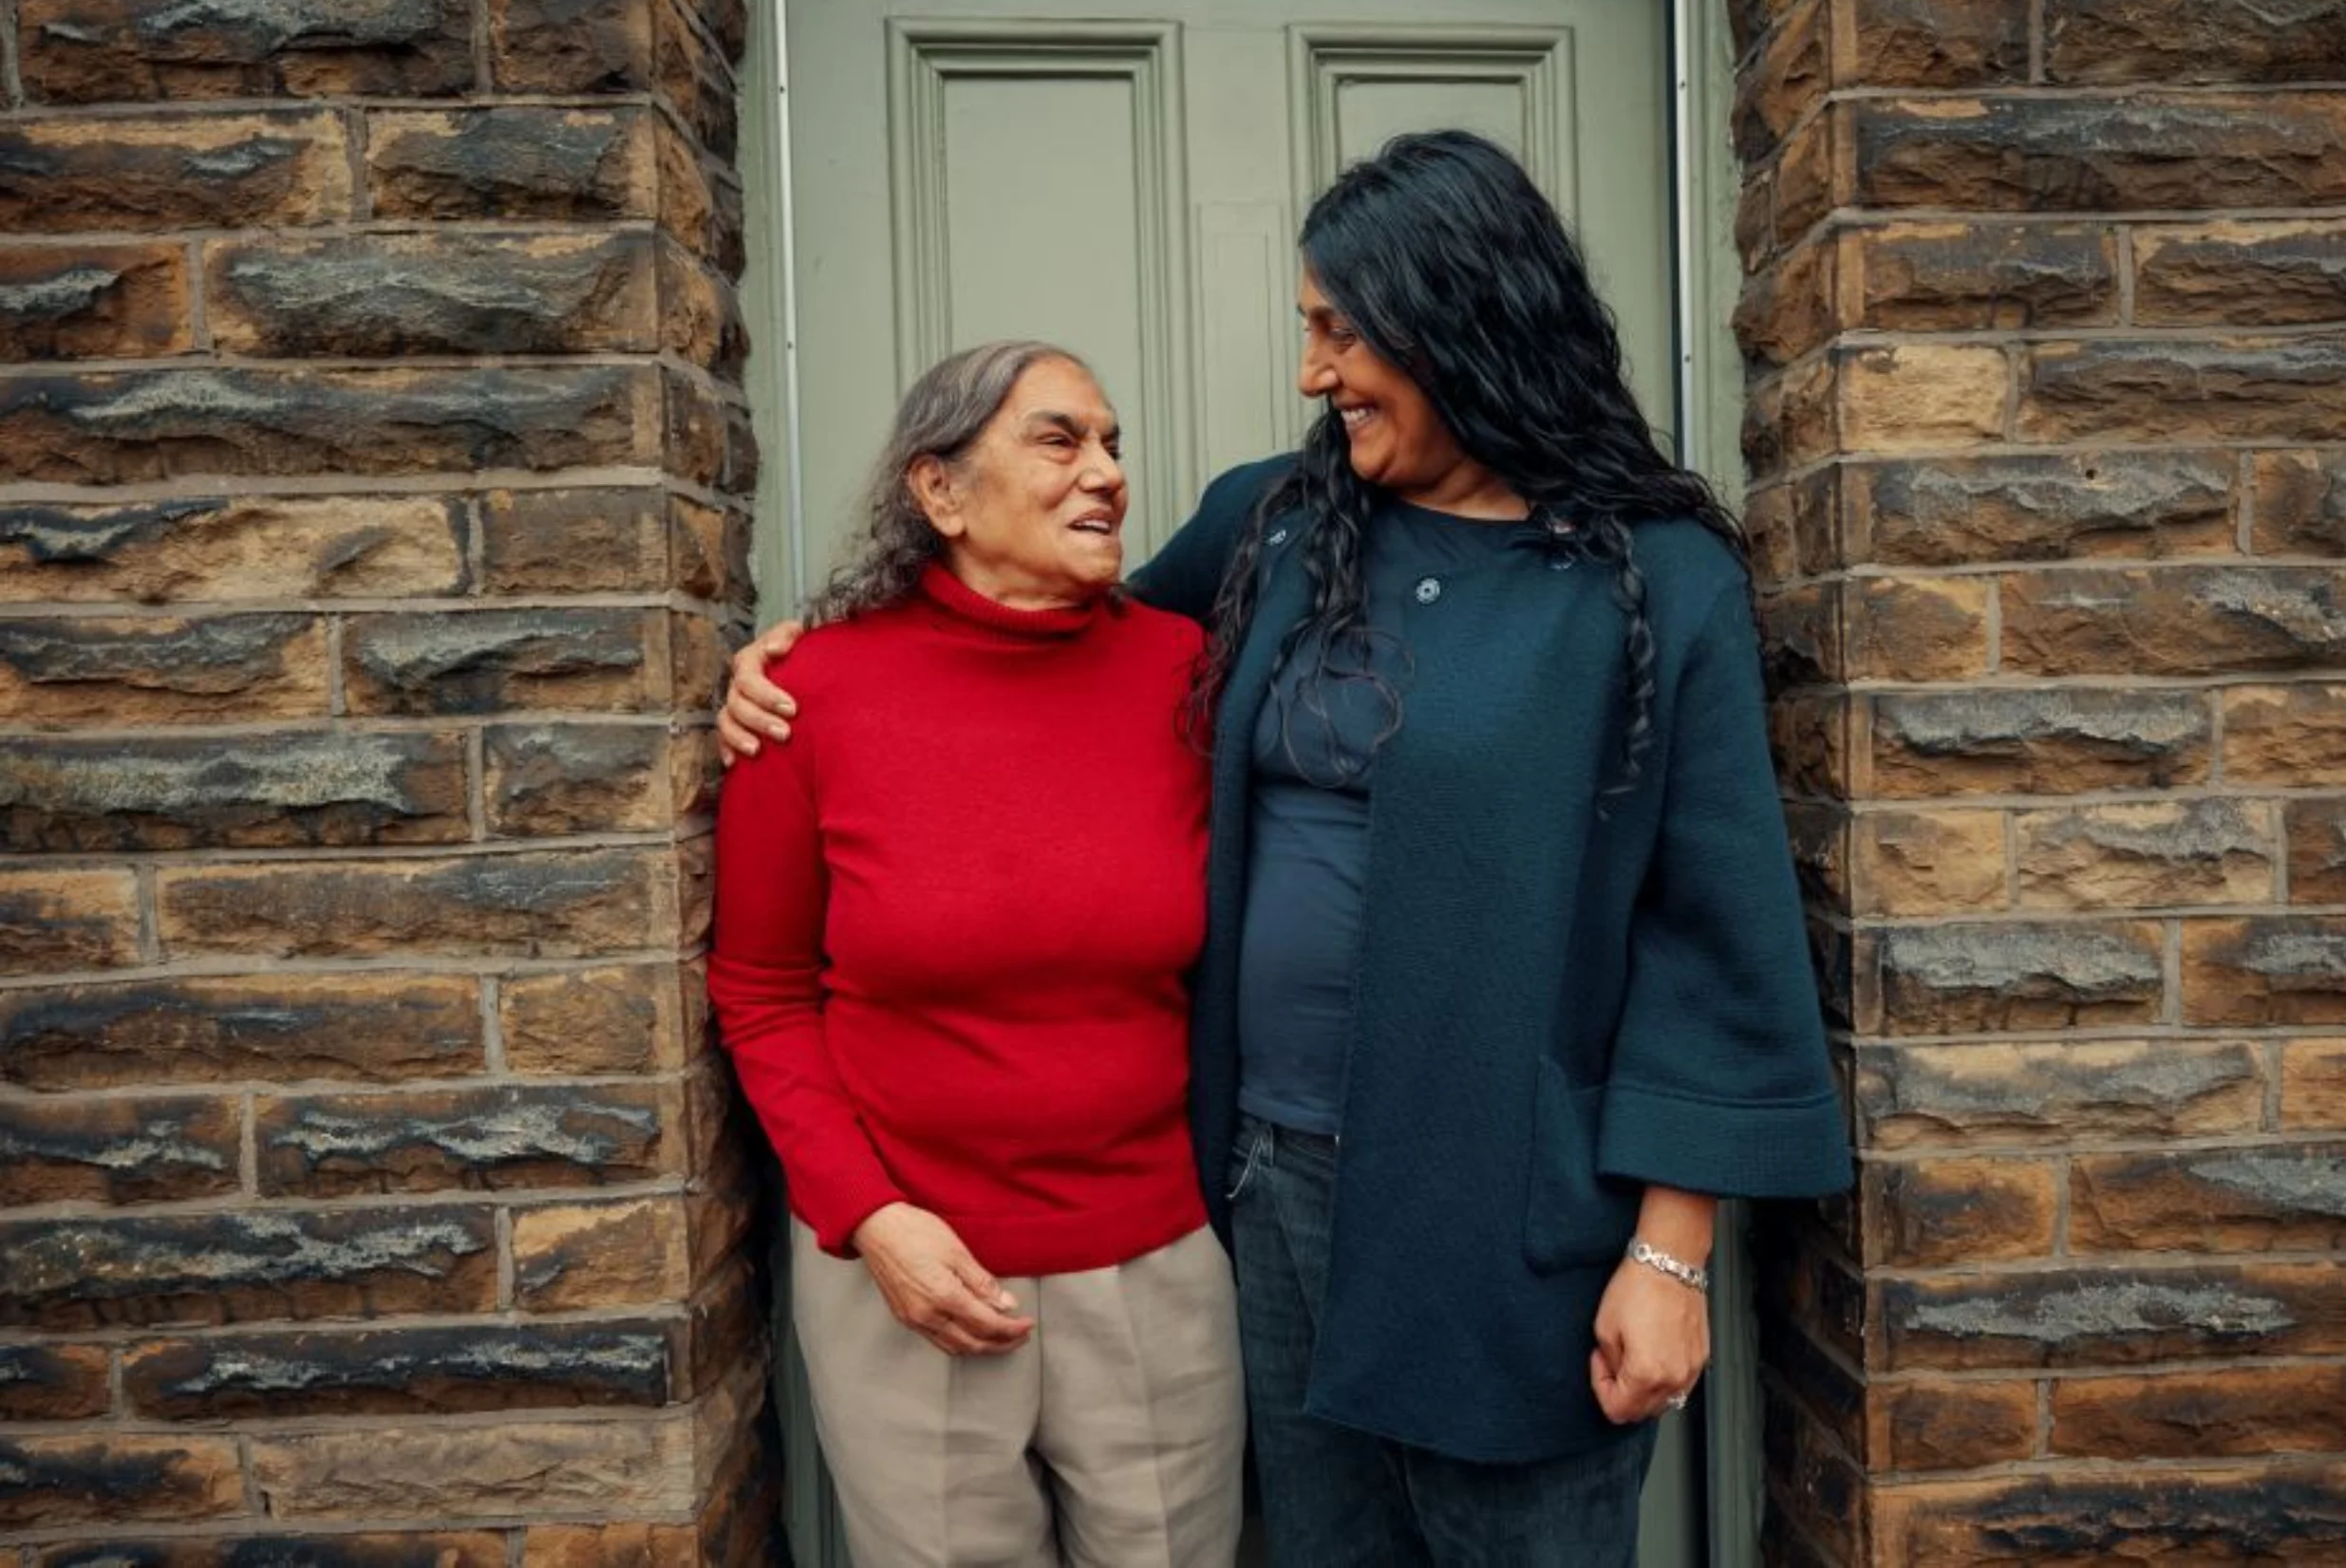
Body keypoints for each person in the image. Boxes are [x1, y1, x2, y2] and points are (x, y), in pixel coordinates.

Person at [722, 133, 1849, 1566]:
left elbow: (1711, 934)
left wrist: (1669, 1251)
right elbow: (1044, 650)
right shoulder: (1280, 518)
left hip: (1512, 1202)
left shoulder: (1651, 579)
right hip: (1266, 1183)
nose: (1314, 371)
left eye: (1338, 331)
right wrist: (804, 659)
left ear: (1456, 316)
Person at [707, 341, 1243, 1568]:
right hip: (908, 1278)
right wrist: (868, 1216)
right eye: (1059, 439)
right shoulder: (810, 695)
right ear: (939, 492)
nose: (1104, 471)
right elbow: (761, 990)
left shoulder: (1191, 677)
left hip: (1155, 1266)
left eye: (1112, 443)